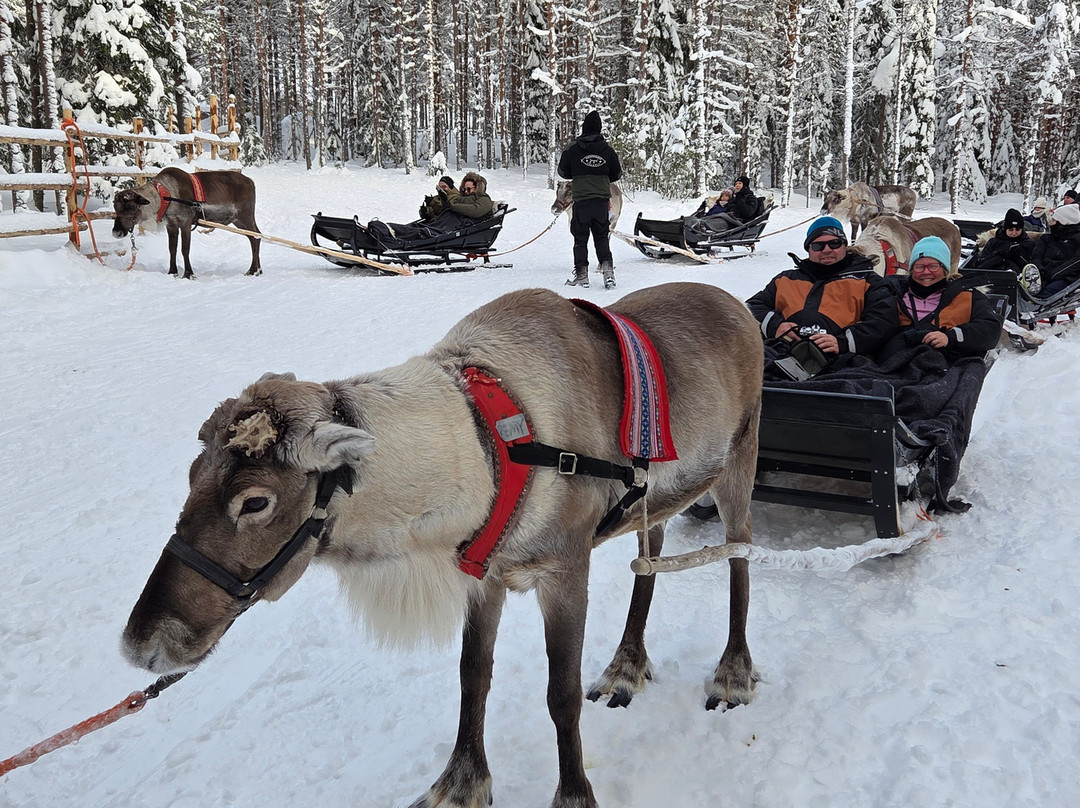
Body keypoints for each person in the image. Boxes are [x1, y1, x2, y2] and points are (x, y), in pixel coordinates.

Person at [746, 216, 898, 379]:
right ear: (809, 249)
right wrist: (775, 326)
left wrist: (843, 342)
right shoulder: (785, 279)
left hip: (843, 362)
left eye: (834, 243)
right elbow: (750, 307)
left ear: (844, 246)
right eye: (818, 245)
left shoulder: (867, 281)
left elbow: (884, 320)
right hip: (781, 354)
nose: (827, 250)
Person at [878, 236, 1002, 363]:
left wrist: (950, 337)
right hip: (891, 361)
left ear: (944, 270)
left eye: (933, 266)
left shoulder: (967, 296)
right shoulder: (891, 292)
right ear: (911, 270)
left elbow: (990, 328)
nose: (926, 272)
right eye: (919, 267)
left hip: (945, 365)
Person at [557, 110, 623, 289]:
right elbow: (616, 173)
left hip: (581, 201)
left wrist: (578, 171)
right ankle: (608, 274)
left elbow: (562, 171)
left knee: (580, 239)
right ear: (599, 129)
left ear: (584, 128)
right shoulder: (607, 150)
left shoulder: (573, 148)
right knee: (601, 236)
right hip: (601, 201)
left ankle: (581, 276)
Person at [367, 171, 493, 246]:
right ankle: (384, 229)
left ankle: (387, 232)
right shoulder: (462, 199)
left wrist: (452, 206)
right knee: (419, 227)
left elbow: (475, 211)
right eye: (464, 189)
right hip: (448, 222)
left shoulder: (484, 200)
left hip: (456, 227)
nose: (465, 191)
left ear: (478, 188)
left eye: (469, 189)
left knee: (424, 232)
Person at [1030, 203, 1080, 297]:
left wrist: (1054, 275)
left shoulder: (1077, 240)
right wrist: (1039, 269)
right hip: (1041, 274)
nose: (1049, 223)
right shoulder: (1047, 238)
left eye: (1053, 220)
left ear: (1063, 223)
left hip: (1066, 278)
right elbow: (1037, 255)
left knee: (1047, 293)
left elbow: (1075, 262)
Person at [968, 208, 1035, 272]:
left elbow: (1033, 267)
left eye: (1017, 229)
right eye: (1011, 230)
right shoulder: (993, 242)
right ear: (1005, 229)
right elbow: (980, 264)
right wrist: (997, 254)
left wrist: (1018, 258)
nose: (1014, 233)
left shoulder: (1029, 244)